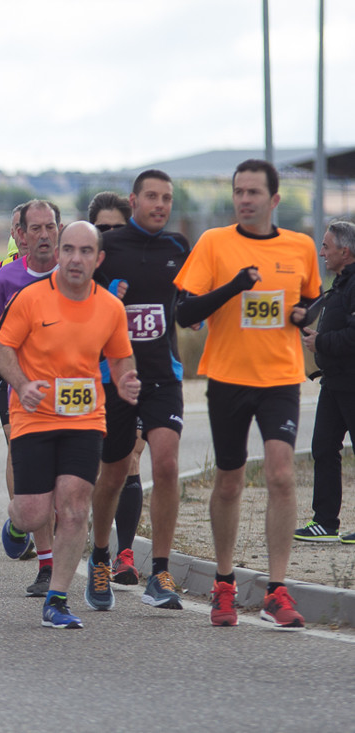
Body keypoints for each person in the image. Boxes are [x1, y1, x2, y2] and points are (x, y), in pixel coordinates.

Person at [174, 158, 321, 630]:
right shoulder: (215, 243)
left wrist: (302, 316)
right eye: (239, 191)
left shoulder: (299, 246)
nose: (244, 199)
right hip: (228, 378)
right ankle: (223, 582)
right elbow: (185, 312)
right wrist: (235, 285)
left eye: (254, 192)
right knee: (230, 481)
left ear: (274, 200)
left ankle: (277, 591)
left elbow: (307, 300)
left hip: (280, 378)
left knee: (280, 475)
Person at [0, 221, 139, 629]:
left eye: (85, 251)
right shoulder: (31, 298)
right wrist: (21, 385)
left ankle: (57, 599)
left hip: (85, 417)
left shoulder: (110, 307)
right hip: (34, 414)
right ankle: (15, 524)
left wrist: (126, 379)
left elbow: (120, 356)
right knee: (34, 511)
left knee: (74, 508)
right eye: (69, 250)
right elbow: (0, 346)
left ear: (99, 259)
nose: (76, 259)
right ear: (58, 253)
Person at [87, 172, 191, 614]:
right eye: (152, 196)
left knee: (165, 464)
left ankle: (160, 571)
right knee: (113, 475)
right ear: (134, 201)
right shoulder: (110, 249)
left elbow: (188, 302)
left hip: (163, 377)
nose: (160, 204)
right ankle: (100, 556)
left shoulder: (176, 248)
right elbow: (81, 303)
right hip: (116, 380)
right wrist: (109, 295)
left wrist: (197, 313)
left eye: (167, 198)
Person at [0, 200, 61, 596]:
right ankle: (46, 564)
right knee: (33, 473)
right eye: (37, 228)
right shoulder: (7, 279)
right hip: (21, 389)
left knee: (70, 486)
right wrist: (17, 380)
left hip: (70, 392)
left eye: (52, 227)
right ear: (22, 234)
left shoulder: (75, 273)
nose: (45, 235)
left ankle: (32, 530)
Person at [86, 192, 147, 585]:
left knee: (131, 462)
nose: (109, 235)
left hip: (132, 378)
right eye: (101, 229)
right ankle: (98, 549)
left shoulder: (143, 268)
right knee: (99, 472)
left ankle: (123, 554)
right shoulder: (83, 270)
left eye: (117, 228)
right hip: (91, 382)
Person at [295, 220, 355, 544]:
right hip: (334, 383)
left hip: (352, 382)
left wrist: (322, 343)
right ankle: (325, 522)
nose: (321, 253)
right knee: (322, 449)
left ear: (345, 252)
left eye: (326, 247)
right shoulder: (341, 283)